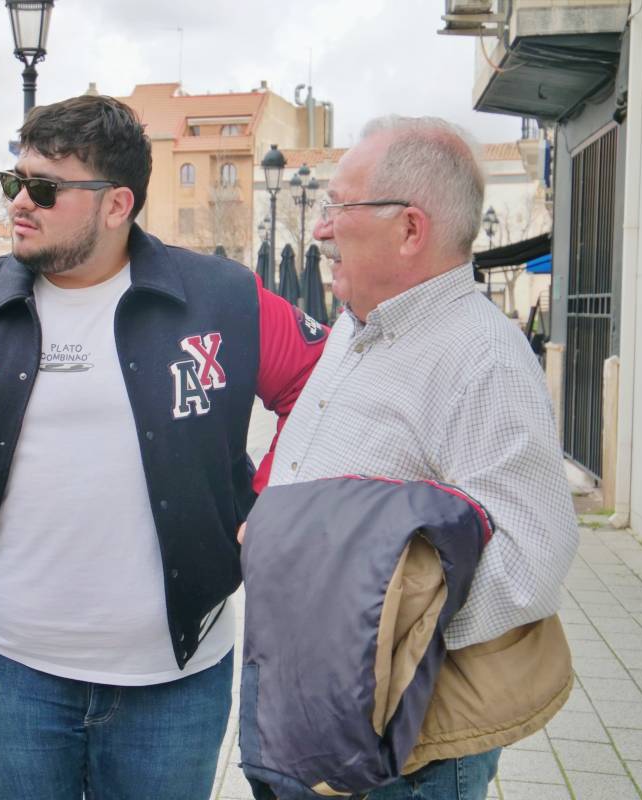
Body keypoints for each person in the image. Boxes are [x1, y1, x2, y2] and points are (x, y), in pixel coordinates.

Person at [0, 94, 325, 799]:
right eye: (14, 182)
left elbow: (324, 388)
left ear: (116, 205)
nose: (20, 202)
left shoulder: (225, 298)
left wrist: (274, 502)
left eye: (44, 189)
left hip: (175, 675)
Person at [245, 116, 577, 800]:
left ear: (409, 230)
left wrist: (377, 650)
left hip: (403, 748)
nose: (319, 228)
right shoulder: (355, 326)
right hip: (321, 713)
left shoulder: (483, 357)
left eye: (338, 207)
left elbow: (532, 558)